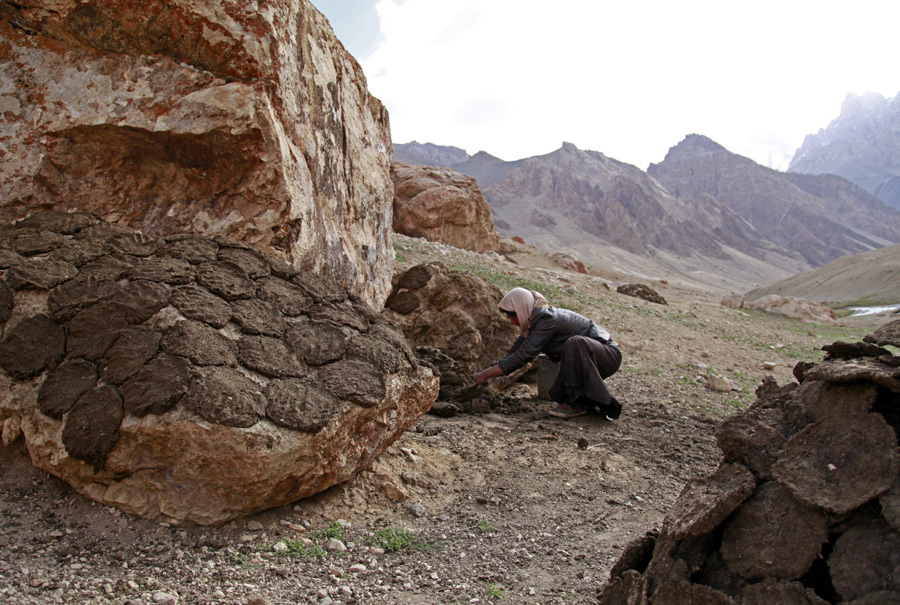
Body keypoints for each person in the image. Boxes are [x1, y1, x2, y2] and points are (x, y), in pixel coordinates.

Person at [473, 287, 622, 419]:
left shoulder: (546, 319)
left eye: (513, 316)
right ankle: (584, 401)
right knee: (557, 392)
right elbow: (514, 353)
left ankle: (577, 404)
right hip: (589, 359)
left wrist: (484, 375)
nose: (512, 322)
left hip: (608, 356)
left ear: (521, 308)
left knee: (575, 342)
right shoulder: (532, 324)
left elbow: (525, 355)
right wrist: (488, 373)